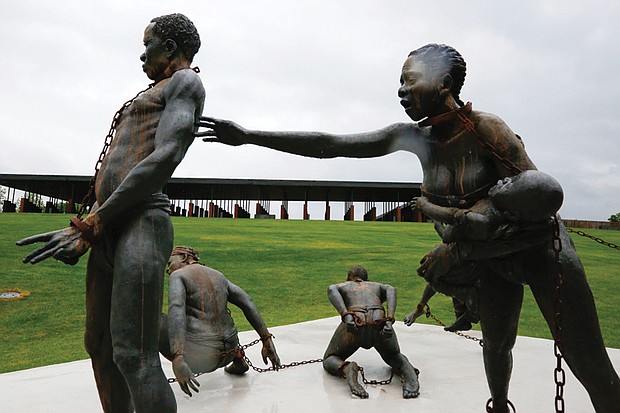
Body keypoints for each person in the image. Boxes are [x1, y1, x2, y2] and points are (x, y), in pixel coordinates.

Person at [197, 44, 620, 412]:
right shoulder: (414, 137)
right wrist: (250, 135)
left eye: (410, 80)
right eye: (399, 82)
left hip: (537, 249)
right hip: (487, 256)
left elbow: (539, 202)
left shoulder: (488, 128)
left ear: (445, 84)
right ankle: (500, 406)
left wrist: (465, 239)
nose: (401, 91)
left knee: (588, 362)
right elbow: (332, 144)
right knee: (496, 345)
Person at [17, 14, 205, 413]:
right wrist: (90, 226)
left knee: (134, 353)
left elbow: (164, 157)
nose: (142, 54)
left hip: (142, 220)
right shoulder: (154, 91)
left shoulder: (186, 83)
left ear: (169, 48)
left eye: (148, 44)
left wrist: (93, 225)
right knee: (99, 343)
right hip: (109, 223)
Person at [405, 169, 564, 332]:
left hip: (457, 253)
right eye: (511, 179)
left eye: (510, 184)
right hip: (463, 253)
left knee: (432, 277)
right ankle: (463, 311)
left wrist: (425, 206)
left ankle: (466, 296)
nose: (505, 180)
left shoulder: (484, 220)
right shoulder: (497, 210)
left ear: (513, 213)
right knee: (443, 277)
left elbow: (451, 221)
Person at [159, 246, 281, 397]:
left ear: (184, 258)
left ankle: (150, 374)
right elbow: (247, 302)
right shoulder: (218, 275)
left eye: (169, 263)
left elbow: (176, 308)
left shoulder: (178, 275)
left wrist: (178, 357)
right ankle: (238, 359)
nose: (167, 270)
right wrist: (266, 340)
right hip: (228, 351)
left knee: (154, 320)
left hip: (199, 358)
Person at [322, 265, 420, 399]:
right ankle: (407, 369)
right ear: (366, 279)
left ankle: (347, 368)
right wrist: (389, 320)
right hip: (379, 319)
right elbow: (391, 289)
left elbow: (331, 289)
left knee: (329, 359)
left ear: (349, 278)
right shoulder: (376, 286)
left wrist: (346, 315)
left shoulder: (345, 285)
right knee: (393, 355)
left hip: (356, 320)